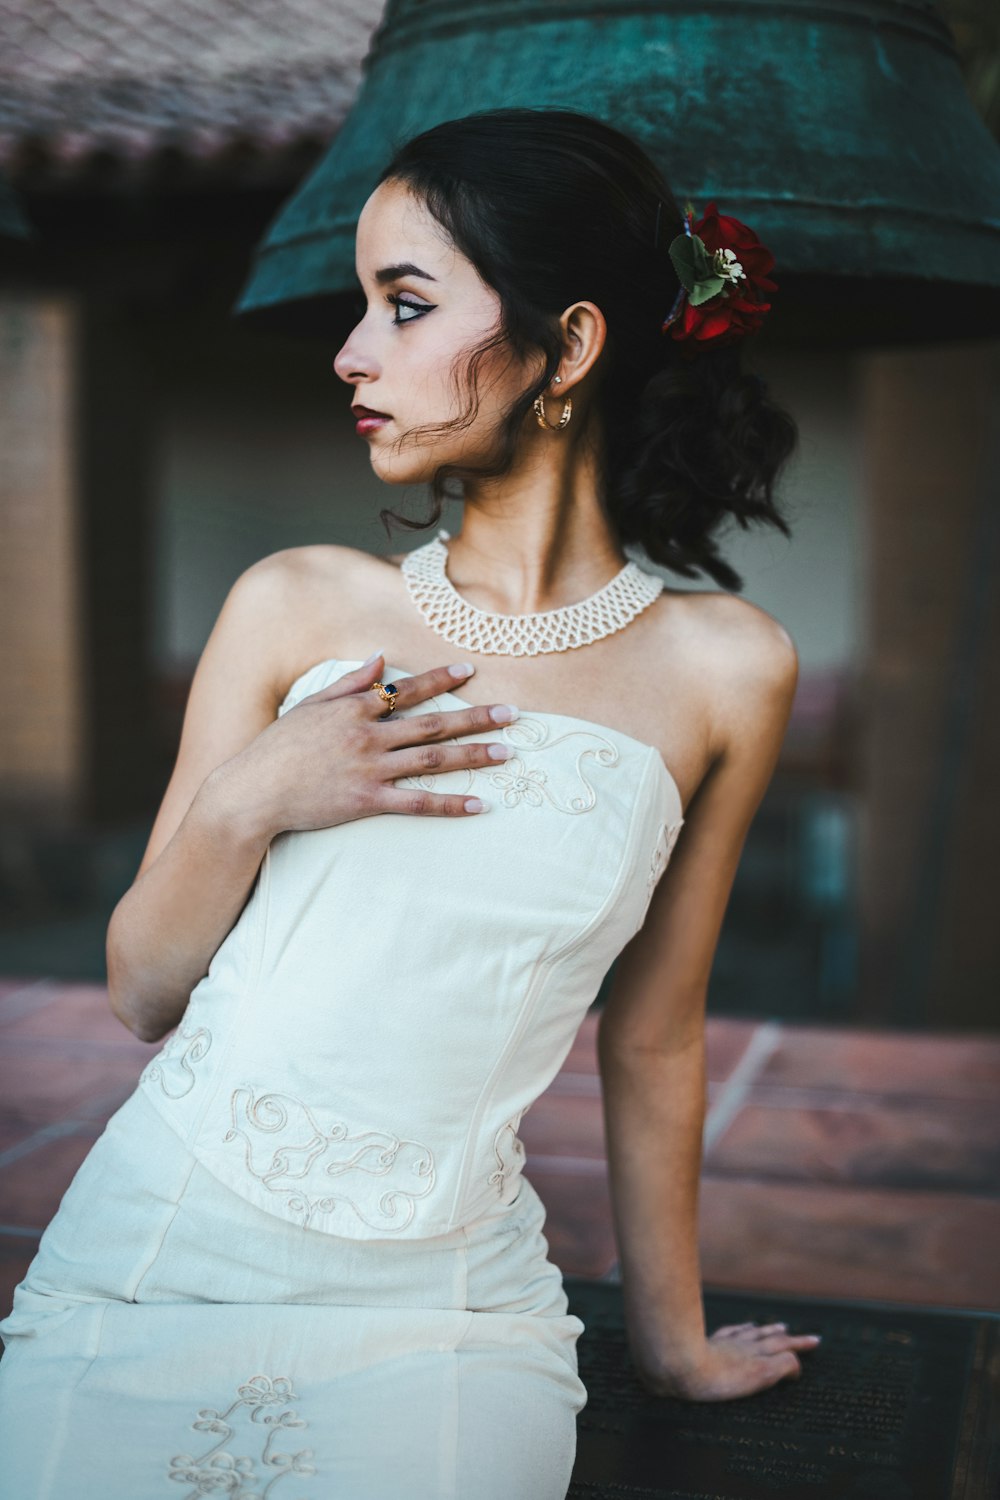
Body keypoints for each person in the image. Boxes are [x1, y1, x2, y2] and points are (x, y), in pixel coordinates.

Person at [0, 106, 822, 1497]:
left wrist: (671, 1346)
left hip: (444, 1306)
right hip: (157, 1253)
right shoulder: (298, 605)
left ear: (567, 347)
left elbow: (659, 1040)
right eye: (362, 306)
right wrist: (256, 794)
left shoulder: (726, 670)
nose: (352, 354)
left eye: (406, 304)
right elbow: (142, 989)